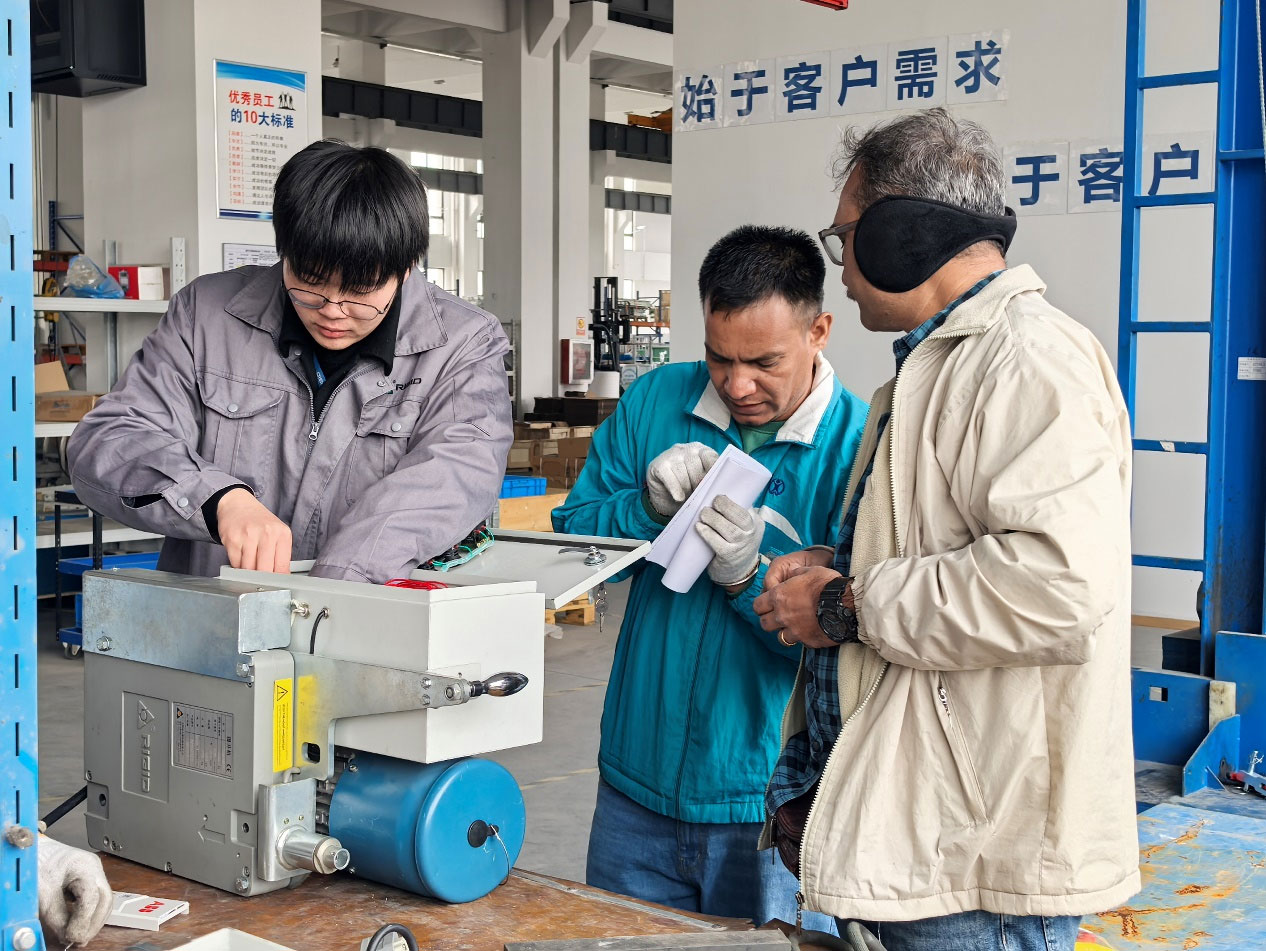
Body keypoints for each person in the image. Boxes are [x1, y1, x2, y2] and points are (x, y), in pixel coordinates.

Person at [752, 108, 1138, 950]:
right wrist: (837, 565)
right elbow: (949, 552)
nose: (841, 268)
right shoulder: (936, 369)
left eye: (844, 236)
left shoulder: (1029, 360)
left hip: (979, 867)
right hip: (927, 837)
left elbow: (1058, 586)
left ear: (900, 235)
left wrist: (848, 603)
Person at [553, 225, 867, 926]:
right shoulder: (655, 402)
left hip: (769, 806)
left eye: (763, 362)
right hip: (634, 788)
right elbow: (571, 540)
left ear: (818, 331)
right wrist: (644, 510)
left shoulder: (857, 449)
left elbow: (846, 647)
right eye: (718, 357)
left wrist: (747, 576)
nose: (737, 384)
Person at [69, 140, 512, 582]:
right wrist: (218, 499)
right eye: (311, 283)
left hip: (366, 611)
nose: (333, 310)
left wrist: (335, 587)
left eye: (360, 292)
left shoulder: (463, 343)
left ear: (407, 266)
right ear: (285, 252)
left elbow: (455, 475)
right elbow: (111, 438)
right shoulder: (206, 315)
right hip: (218, 612)